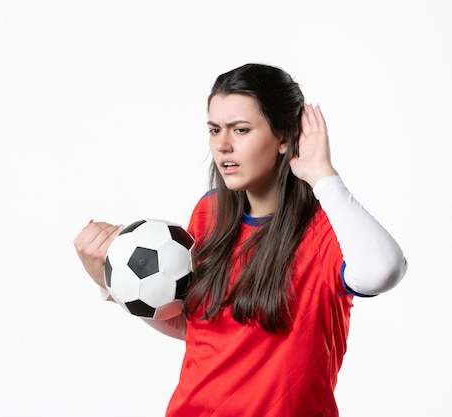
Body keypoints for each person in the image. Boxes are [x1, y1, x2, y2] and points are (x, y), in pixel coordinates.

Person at [73, 63, 408, 417]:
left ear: (283, 137)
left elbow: (383, 271)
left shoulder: (325, 230)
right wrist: (113, 284)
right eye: (215, 129)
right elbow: (201, 330)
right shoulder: (209, 213)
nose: (223, 145)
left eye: (241, 129)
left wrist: (322, 175)